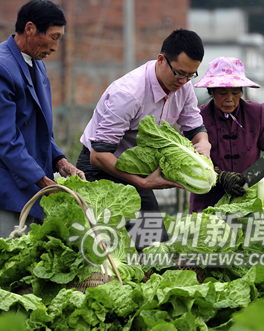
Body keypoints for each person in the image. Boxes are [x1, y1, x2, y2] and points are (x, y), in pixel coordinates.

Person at [76, 29, 211, 249]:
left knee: (154, 249)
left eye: (191, 75)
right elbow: (98, 155)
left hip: (137, 170)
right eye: (179, 73)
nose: (184, 80)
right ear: (161, 60)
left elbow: (195, 126)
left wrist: (203, 142)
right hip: (101, 170)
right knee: (99, 251)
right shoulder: (128, 94)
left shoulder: (183, 87)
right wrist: (143, 183)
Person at [0, 0, 85, 239]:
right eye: (54, 37)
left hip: (31, 183)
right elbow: (5, 138)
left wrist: (60, 161)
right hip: (4, 187)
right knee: (6, 267)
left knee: (30, 269)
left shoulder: (36, 64)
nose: (55, 47)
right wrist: (44, 183)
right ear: (30, 29)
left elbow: (39, 128)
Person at [189, 56, 264, 213]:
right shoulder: (197, 118)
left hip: (252, 204)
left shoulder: (257, 114)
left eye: (235, 93)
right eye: (223, 93)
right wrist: (220, 177)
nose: (229, 99)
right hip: (208, 205)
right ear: (211, 92)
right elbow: (189, 161)